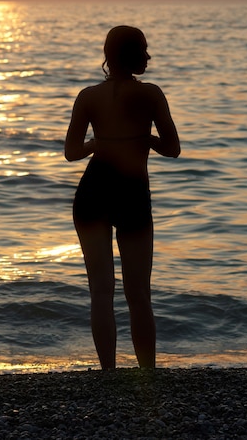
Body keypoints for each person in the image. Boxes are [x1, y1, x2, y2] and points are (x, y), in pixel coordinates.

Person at [65, 25, 180, 370]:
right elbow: (172, 148)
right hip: (131, 194)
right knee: (138, 294)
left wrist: (97, 145)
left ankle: (109, 375)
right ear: (131, 55)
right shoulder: (151, 94)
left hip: (92, 193)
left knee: (101, 291)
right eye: (143, 49)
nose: (148, 56)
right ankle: (147, 374)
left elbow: (72, 152)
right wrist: (145, 140)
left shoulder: (88, 96)